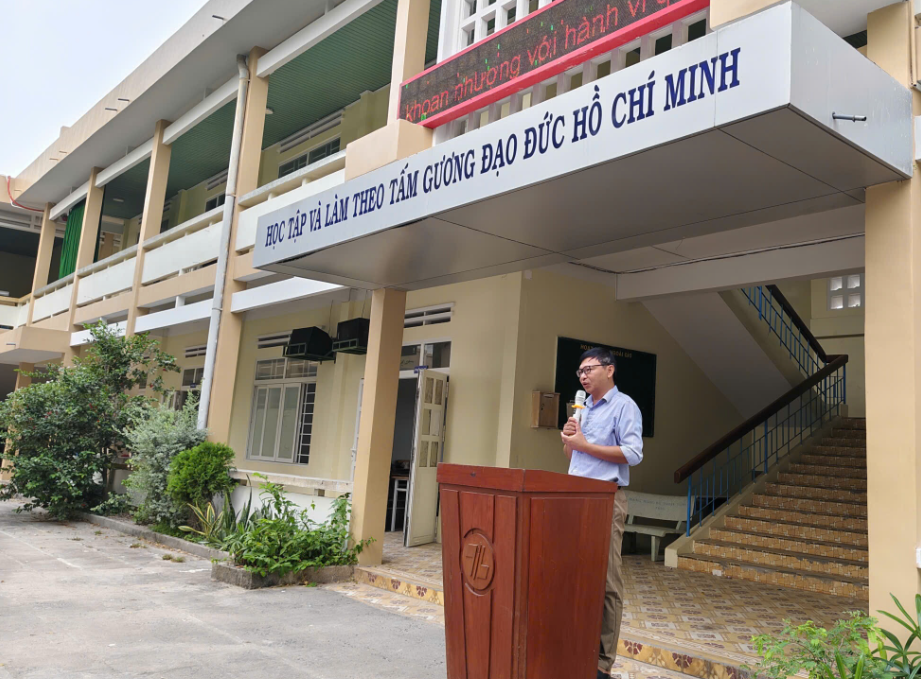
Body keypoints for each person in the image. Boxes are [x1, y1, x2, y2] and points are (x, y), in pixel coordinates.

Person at [561, 347, 644, 679]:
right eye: (580, 371)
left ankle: (601, 662)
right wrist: (570, 440)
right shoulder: (583, 409)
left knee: (607, 581)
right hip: (575, 497)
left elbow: (633, 453)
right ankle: (576, 644)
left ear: (609, 370)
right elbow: (574, 456)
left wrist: (584, 445)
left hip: (606, 498)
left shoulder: (625, 406)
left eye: (589, 369)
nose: (583, 376)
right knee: (574, 575)